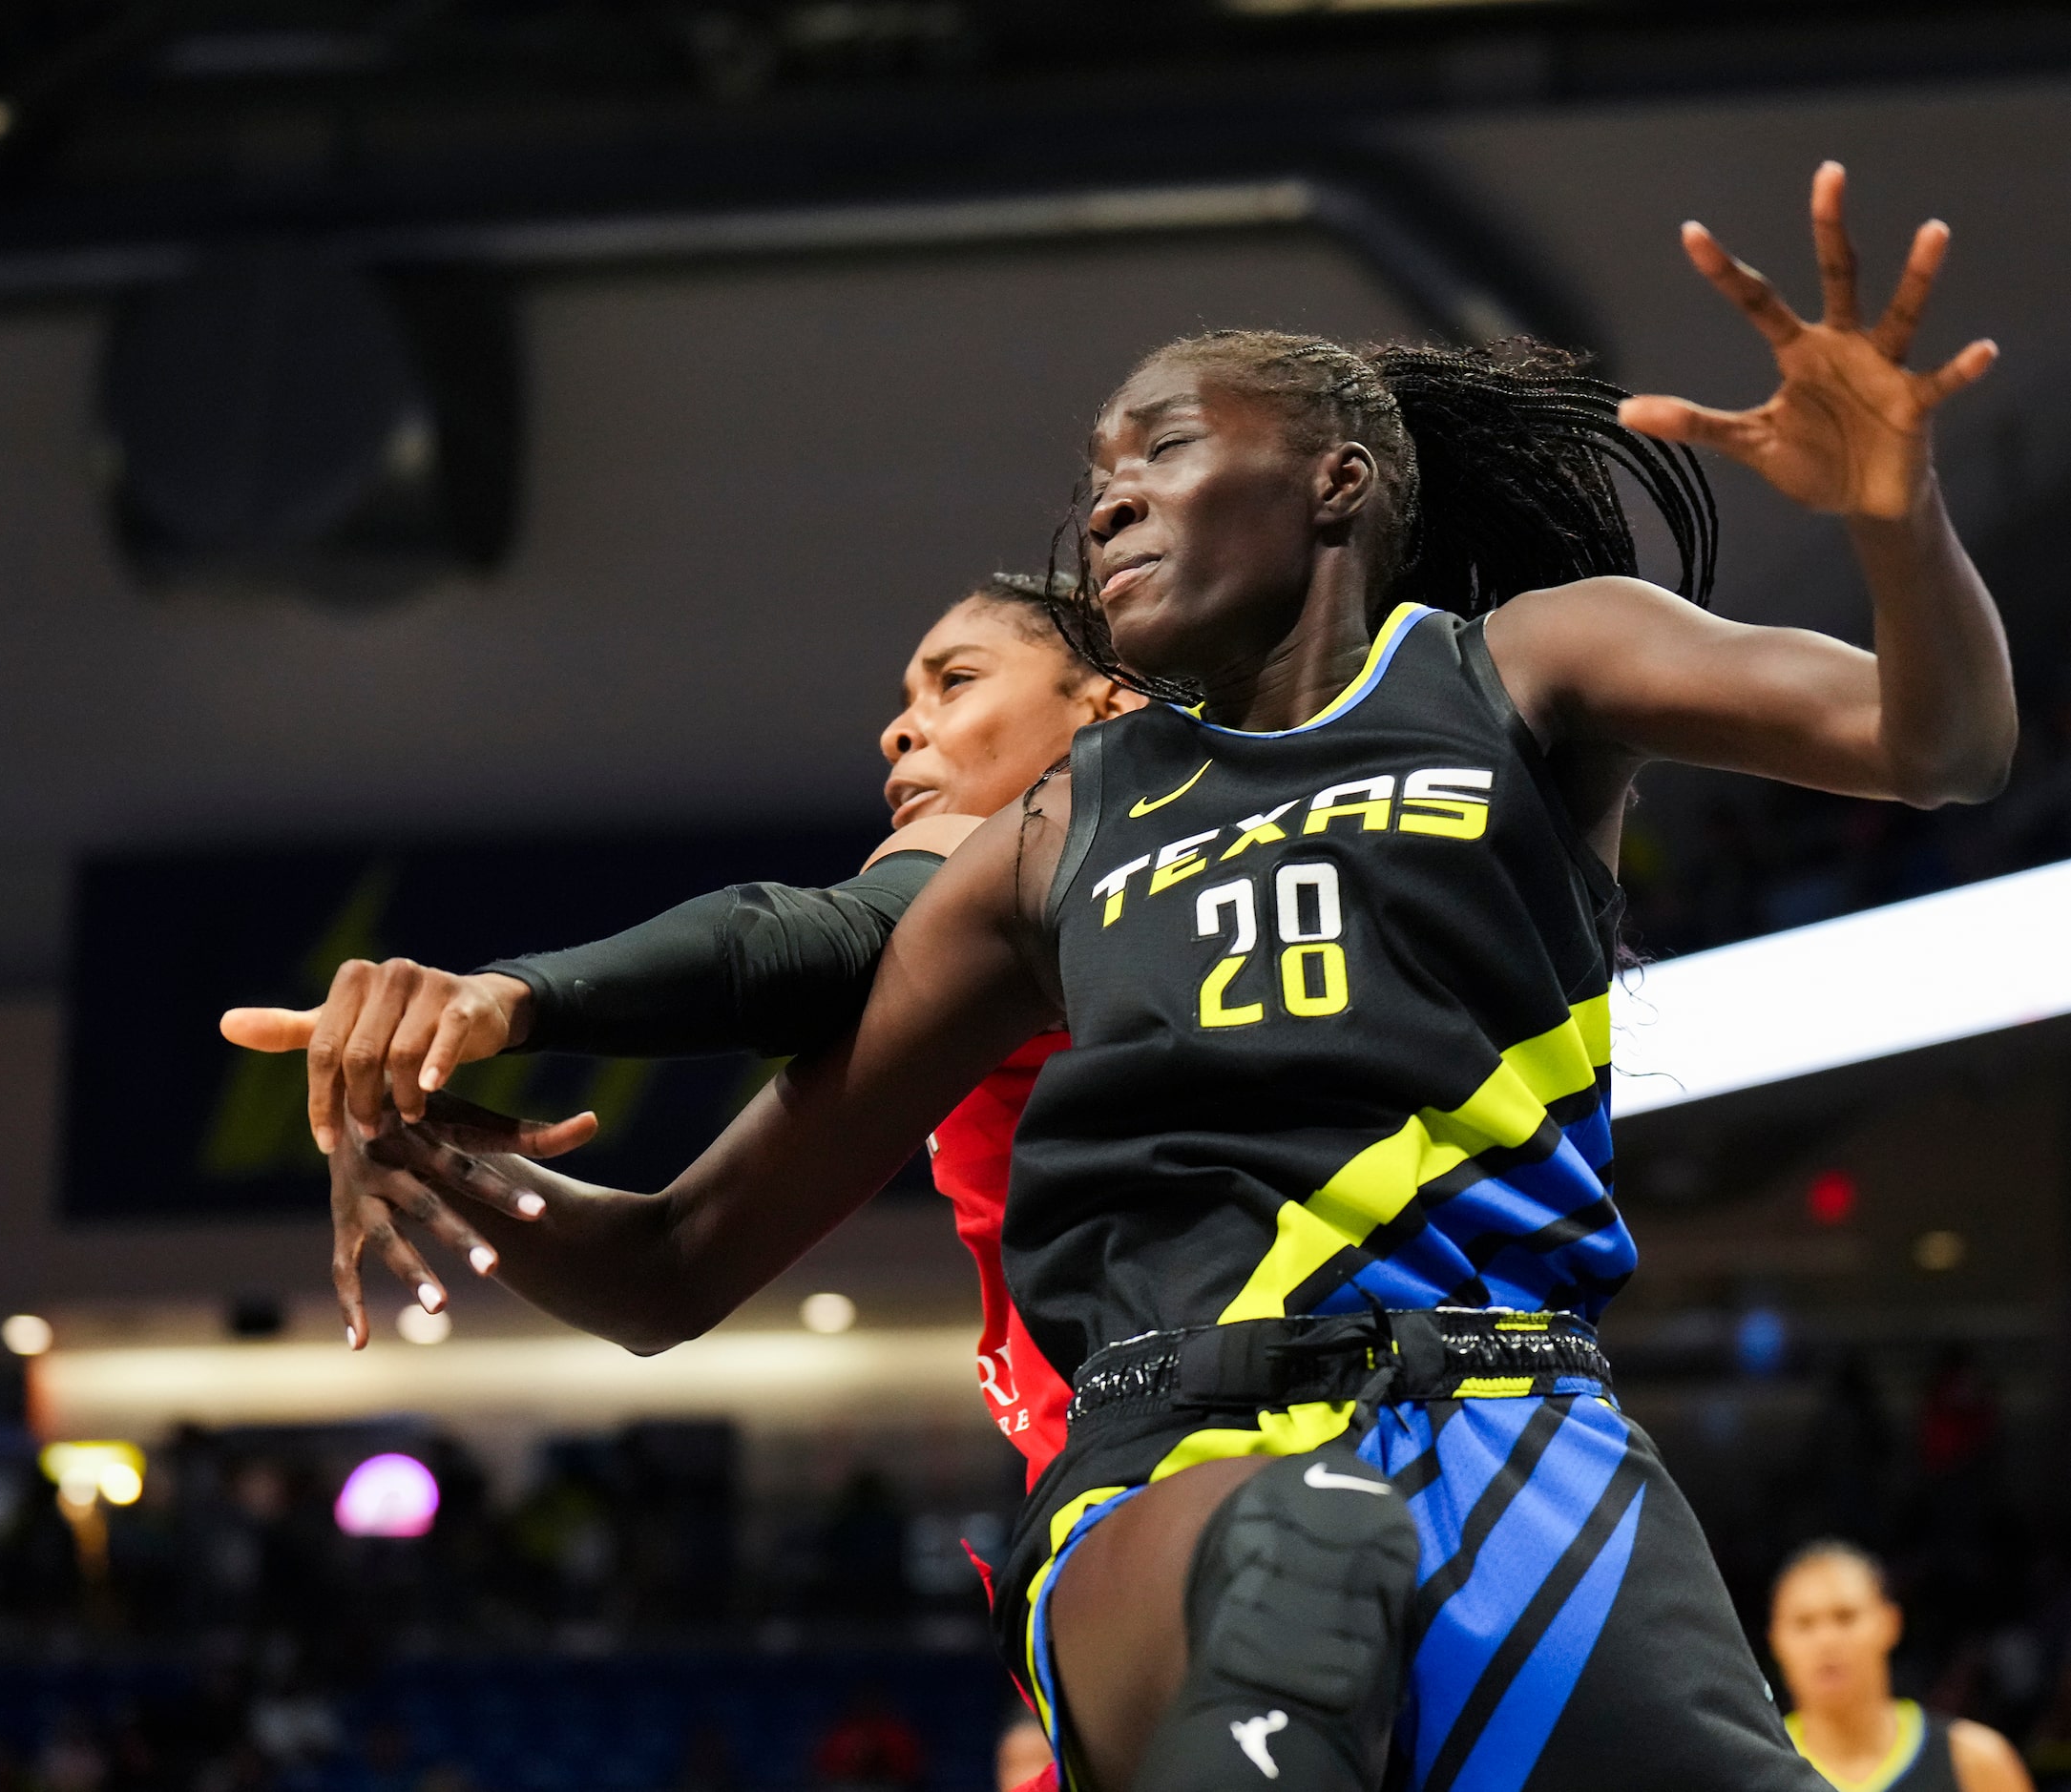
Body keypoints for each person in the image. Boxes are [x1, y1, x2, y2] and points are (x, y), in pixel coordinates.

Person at [244, 162, 2014, 1792]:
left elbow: (1938, 741)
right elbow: (683, 1237)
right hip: (1183, 1457)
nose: (1106, 492)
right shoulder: (1058, 830)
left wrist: (1896, 514)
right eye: (1095, 466)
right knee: (1300, 1550)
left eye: (1158, 444)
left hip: (1520, 1433)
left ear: (1334, 475)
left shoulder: (1518, 669)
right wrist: (459, 1095)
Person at [224, 573, 1140, 1481]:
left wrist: (508, 999)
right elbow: (661, 1278)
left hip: (1183, 1481)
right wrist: (396, 1119)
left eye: (956, 680)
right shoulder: (1003, 968)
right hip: (1125, 1498)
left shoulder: (1045, 844)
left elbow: (811, 938)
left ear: (1109, 705)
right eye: (907, 698)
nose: (897, 730)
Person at [1769, 1540, 2031, 1792]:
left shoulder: (1974, 1760)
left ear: (1890, 1623)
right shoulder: (1752, 1768)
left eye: (1845, 1617)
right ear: (1775, 1639)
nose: (1826, 1641)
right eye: (1804, 1623)